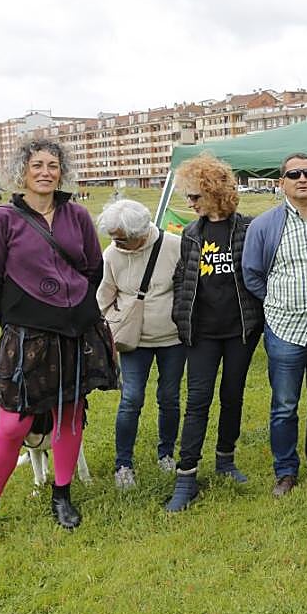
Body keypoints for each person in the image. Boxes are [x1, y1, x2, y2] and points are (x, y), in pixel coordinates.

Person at [0, 139, 118, 552]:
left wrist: (73, 309)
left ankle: (62, 495)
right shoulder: (1, 219)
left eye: (53, 165)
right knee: (12, 423)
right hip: (26, 334)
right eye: (38, 165)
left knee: (69, 413)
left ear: (61, 172)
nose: (46, 172)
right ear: (23, 172)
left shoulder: (77, 215)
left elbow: (92, 268)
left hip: (75, 332)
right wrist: (18, 318)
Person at [243, 152, 307, 497]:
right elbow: (253, 274)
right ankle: (285, 471)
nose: (302, 179)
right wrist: (279, 302)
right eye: (294, 174)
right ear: (281, 183)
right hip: (286, 328)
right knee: (285, 405)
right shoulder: (264, 225)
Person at [166, 153, 263, 512]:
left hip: (240, 331)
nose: (189, 203)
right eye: (188, 196)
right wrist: (182, 318)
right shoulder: (191, 234)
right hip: (202, 334)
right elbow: (183, 281)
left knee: (232, 396)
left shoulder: (249, 229)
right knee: (197, 402)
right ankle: (186, 475)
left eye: (194, 196)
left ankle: (225, 459)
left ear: (214, 191)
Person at [96, 199, 185, 490]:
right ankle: (123, 464)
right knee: (131, 399)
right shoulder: (112, 255)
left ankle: (166, 454)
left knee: (169, 397)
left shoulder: (174, 245)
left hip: (173, 339)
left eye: (122, 239)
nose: (117, 243)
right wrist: (117, 322)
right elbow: (103, 299)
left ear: (141, 232)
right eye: (113, 238)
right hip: (133, 343)